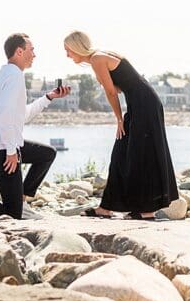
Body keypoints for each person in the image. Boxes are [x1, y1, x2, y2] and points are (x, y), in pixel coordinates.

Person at [63, 31, 179, 220]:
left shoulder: (97, 59)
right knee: (123, 152)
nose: (67, 55)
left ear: (77, 47)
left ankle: (146, 211)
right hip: (140, 103)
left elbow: (111, 92)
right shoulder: (100, 57)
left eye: (68, 50)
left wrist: (119, 119)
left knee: (141, 153)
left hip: (144, 105)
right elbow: (120, 86)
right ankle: (108, 207)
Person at [0, 32, 71, 220]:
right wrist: (11, 151)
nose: (34, 54)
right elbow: (5, 116)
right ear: (19, 51)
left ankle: (22, 199)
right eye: (32, 50)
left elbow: (19, 116)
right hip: (0, 150)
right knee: (12, 213)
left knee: (47, 154)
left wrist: (49, 97)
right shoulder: (14, 76)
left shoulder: (2, 74)